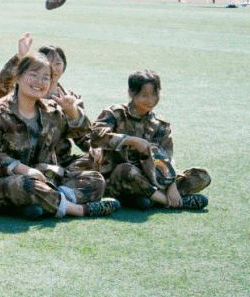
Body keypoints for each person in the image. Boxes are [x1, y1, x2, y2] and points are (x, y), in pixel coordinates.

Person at [0, 53, 118, 220]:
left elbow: (84, 133)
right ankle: (79, 209)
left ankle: (43, 203)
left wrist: (72, 111)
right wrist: (25, 170)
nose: (39, 82)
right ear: (18, 77)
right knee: (27, 185)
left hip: (47, 178)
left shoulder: (52, 111)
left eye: (45, 78)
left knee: (95, 180)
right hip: (4, 183)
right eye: (33, 75)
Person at [87, 70, 210, 210]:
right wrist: (130, 140)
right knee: (126, 170)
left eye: (155, 94)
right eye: (144, 95)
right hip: (118, 178)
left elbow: (167, 157)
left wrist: (172, 185)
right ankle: (169, 201)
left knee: (202, 177)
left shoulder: (161, 125)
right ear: (131, 93)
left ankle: (148, 198)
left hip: (151, 177)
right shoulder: (115, 113)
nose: (151, 100)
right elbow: (96, 137)